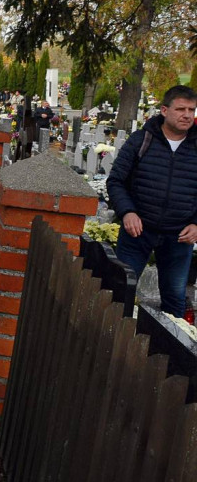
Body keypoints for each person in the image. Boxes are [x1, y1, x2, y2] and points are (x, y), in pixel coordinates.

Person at [106, 85, 197, 318]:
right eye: (181, 109)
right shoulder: (142, 140)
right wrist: (127, 212)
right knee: (121, 291)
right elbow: (116, 180)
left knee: (175, 298)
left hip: (179, 236)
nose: (187, 115)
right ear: (165, 110)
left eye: (192, 109)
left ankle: (169, 352)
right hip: (138, 231)